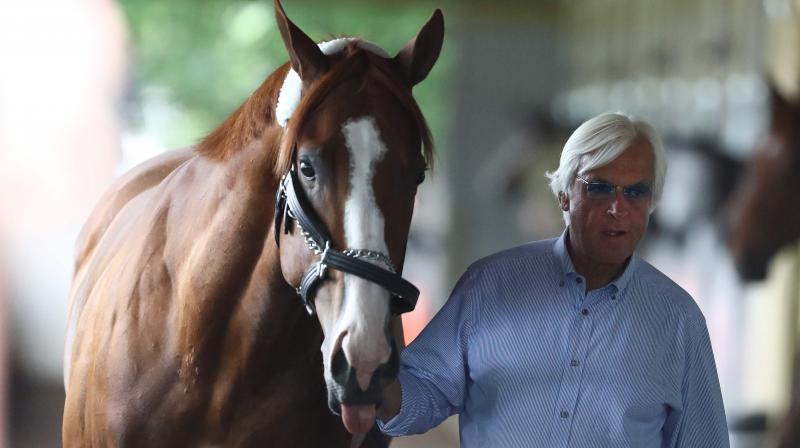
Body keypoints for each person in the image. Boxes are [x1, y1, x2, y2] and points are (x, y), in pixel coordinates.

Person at [377, 112, 729, 447]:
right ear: (563, 194)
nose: (618, 208)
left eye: (636, 192)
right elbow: (421, 390)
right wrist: (371, 374)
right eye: (600, 188)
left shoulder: (678, 320)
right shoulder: (491, 286)